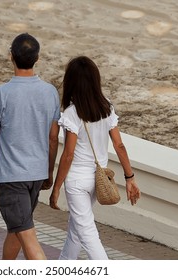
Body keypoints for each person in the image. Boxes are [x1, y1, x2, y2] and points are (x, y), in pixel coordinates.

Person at [0, 33, 61, 260]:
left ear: (11, 56)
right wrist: (48, 173)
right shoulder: (50, 92)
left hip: (13, 178)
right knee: (17, 229)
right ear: (37, 58)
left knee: (27, 237)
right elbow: (52, 138)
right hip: (36, 175)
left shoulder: (2, 93)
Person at [49, 56, 141, 260]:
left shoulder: (72, 113)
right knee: (76, 230)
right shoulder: (106, 106)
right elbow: (119, 145)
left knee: (87, 233)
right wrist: (130, 177)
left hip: (77, 181)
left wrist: (56, 186)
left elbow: (68, 155)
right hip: (97, 179)